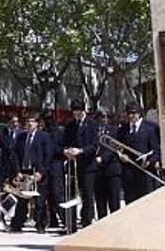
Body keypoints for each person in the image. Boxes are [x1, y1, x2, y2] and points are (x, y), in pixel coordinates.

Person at [8, 114, 50, 234]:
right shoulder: (21, 137)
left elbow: (48, 156)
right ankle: (17, 224)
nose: (29, 123)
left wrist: (41, 172)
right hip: (24, 171)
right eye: (27, 121)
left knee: (39, 201)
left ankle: (40, 224)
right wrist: (17, 171)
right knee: (22, 199)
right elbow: (15, 155)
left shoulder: (44, 137)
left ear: (37, 123)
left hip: (37, 171)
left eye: (32, 121)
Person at [62, 99, 98, 231]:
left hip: (87, 165)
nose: (75, 115)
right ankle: (70, 223)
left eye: (78, 112)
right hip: (72, 164)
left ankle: (87, 220)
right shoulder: (70, 125)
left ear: (83, 111)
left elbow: (94, 146)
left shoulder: (92, 124)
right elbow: (65, 141)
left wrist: (81, 151)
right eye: (74, 112)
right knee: (71, 194)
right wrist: (66, 150)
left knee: (87, 194)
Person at [117, 102, 161, 204]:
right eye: (128, 113)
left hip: (146, 173)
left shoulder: (151, 128)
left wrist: (150, 161)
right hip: (129, 174)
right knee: (131, 203)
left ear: (139, 113)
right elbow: (118, 148)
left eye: (133, 113)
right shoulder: (122, 129)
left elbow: (157, 150)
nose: (130, 116)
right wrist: (121, 156)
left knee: (147, 203)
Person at [93, 111, 121, 220]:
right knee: (100, 202)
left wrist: (103, 158)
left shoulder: (115, 130)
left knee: (114, 201)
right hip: (97, 171)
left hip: (112, 170)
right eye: (100, 117)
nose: (103, 119)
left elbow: (114, 148)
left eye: (106, 117)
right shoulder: (94, 130)